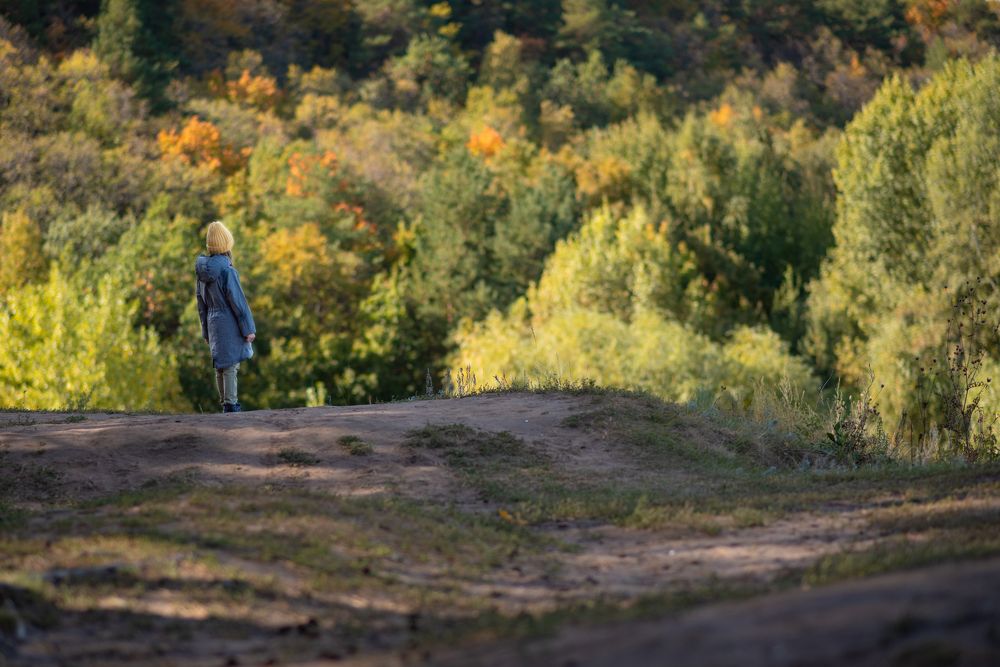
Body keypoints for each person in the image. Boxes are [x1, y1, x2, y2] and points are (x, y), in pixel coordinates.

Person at [196, 221, 256, 413]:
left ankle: (225, 403)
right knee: (231, 365)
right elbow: (238, 303)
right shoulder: (228, 271)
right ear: (226, 243)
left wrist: (205, 330)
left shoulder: (202, 273)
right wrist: (248, 329)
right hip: (229, 321)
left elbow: (201, 305)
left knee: (219, 363)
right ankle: (231, 405)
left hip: (213, 322)